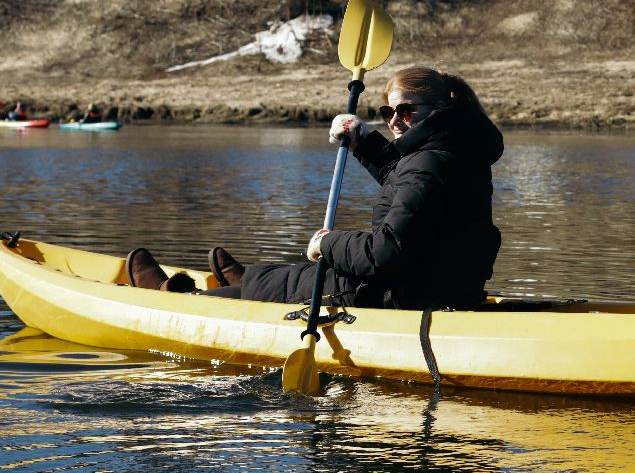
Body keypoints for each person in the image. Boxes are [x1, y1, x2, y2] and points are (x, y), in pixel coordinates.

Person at [125, 66, 503, 310]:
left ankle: (179, 301)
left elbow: (385, 253)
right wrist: (364, 141)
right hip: (435, 285)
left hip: (400, 296)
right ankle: (251, 283)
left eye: (406, 110)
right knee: (285, 279)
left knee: (294, 281)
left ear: (438, 107)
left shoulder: (430, 161)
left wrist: (327, 242)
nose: (395, 121)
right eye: (387, 113)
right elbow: (412, 191)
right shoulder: (457, 148)